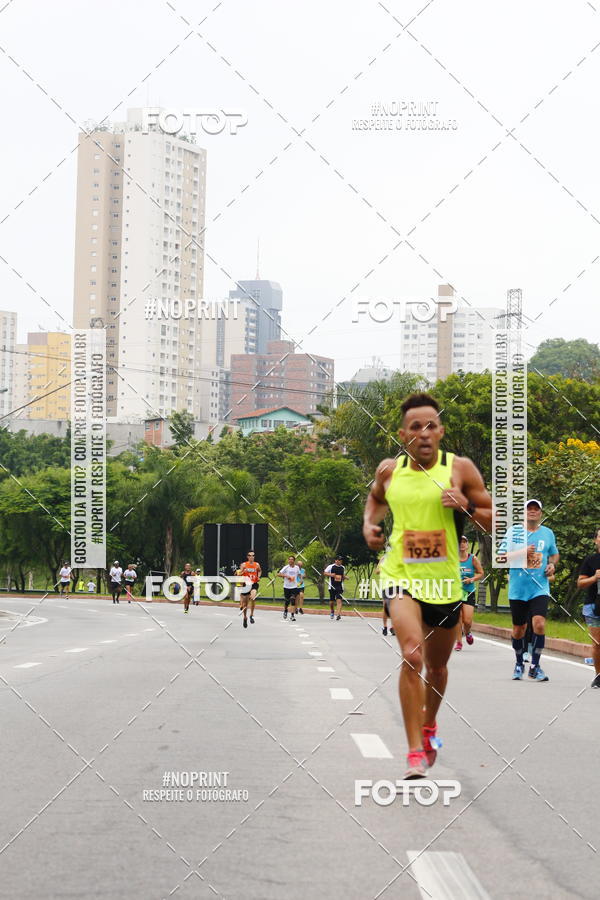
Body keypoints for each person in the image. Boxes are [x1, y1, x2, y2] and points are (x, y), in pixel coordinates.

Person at [363, 392, 492, 779]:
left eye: (430, 425)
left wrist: (467, 506)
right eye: (415, 426)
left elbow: (492, 519)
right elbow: (375, 499)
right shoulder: (390, 471)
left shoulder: (460, 469)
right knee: (412, 655)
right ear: (403, 434)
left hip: (445, 585)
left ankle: (429, 724)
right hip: (400, 576)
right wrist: (370, 525)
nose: (423, 432)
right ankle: (414, 751)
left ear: (440, 431)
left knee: (436, 668)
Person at [501, 499, 559, 682]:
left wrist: (552, 565)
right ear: (524, 513)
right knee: (519, 629)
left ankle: (535, 666)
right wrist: (522, 552)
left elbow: (554, 554)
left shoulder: (548, 533)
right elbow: (501, 557)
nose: (532, 511)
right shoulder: (513, 532)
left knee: (539, 624)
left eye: (536, 509)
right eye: (529, 509)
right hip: (518, 589)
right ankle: (519, 663)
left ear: (540, 513)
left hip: (539, 587)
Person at [576, 527, 600, 689]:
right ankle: (598, 676)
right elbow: (580, 583)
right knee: (597, 643)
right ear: (595, 540)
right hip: (593, 606)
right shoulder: (590, 560)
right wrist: (594, 578)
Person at [455, 536, 484, 650]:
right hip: (455, 592)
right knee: (458, 617)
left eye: (464, 542)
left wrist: (471, 579)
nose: (462, 544)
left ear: (467, 545)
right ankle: (459, 642)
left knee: (467, 621)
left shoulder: (472, 559)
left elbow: (481, 573)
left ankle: (467, 632)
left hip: (468, 591)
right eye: (460, 542)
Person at [240, 551, 262, 624]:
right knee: (245, 604)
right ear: (247, 557)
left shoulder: (257, 564)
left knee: (253, 597)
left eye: (253, 555)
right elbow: (239, 574)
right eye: (250, 555)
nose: (251, 557)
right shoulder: (244, 565)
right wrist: (243, 572)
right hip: (246, 584)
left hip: (254, 584)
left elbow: (260, 571)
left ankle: (251, 615)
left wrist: (258, 576)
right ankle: (245, 617)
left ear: (254, 557)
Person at [278, 556, 300, 621]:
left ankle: (292, 616)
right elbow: (279, 574)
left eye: (292, 559)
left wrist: (300, 580)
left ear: (294, 561)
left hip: (294, 587)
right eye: (289, 559)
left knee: (293, 600)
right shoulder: (286, 567)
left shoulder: (297, 567)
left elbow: (299, 574)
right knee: (287, 601)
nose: (290, 561)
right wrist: (286, 576)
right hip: (286, 587)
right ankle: (285, 610)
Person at [324, 556, 345, 621]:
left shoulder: (343, 567)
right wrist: (331, 575)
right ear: (335, 560)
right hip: (332, 586)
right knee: (332, 602)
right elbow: (325, 573)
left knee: (339, 600)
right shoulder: (331, 566)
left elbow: (342, 576)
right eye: (338, 560)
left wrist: (345, 577)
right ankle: (332, 611)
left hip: (340, 587)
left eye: (340, 560)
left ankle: (338, 614)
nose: (339, 561)